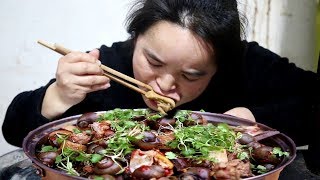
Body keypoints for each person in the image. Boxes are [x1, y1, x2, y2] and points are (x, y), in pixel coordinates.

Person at [2, 0, 320, 177]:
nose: (165, 86)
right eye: (153, 62)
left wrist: (254, 117)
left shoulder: (246, 64)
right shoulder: (109, 64)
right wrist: (57, 95)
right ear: (135, 38)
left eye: (192, 74)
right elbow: (15, 129)